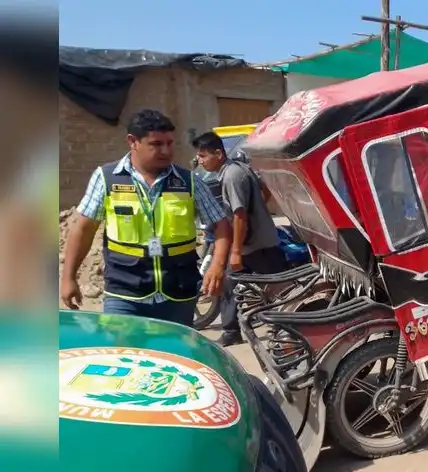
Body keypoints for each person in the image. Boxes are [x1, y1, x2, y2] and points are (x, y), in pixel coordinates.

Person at [61, 109, 232, 326]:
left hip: (178, 293)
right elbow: (83, 229)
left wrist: (217, 266)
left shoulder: (188, 181)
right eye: (157, 144)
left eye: (170, 143)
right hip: (125, 293)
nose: (166, 150)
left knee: (174, 355)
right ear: (133, 142)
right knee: (124, 356)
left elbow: (221, 225)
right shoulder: (107, 178)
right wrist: (68, 278)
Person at [193, 131, 287, 347]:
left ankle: (285, 331)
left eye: (204, 156)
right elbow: (264, 192)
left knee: (277, 288)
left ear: (219, 153)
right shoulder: (235, 170)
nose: (201, 161)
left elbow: (239, 215)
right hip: (249, 241)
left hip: (256, 245)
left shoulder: (232, 176)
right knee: (229, 284)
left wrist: (235, 251)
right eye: (199, 156)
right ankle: (231, 331)